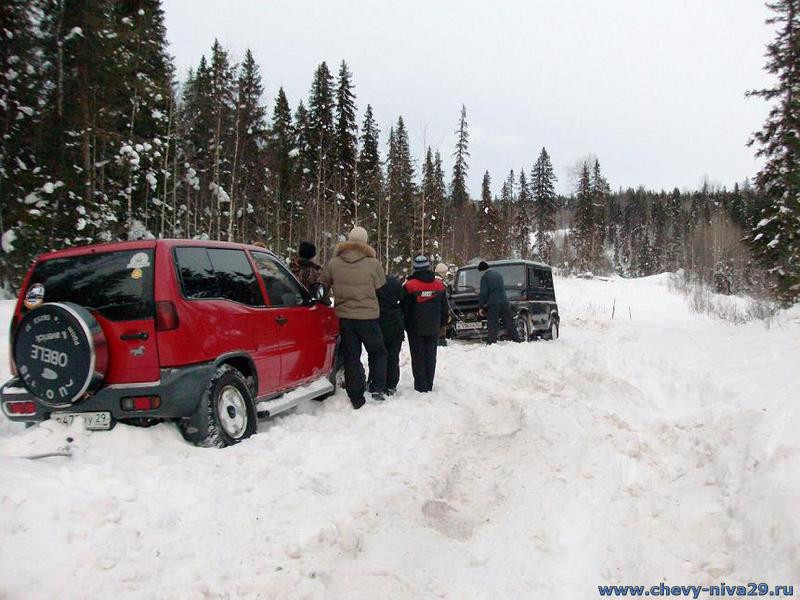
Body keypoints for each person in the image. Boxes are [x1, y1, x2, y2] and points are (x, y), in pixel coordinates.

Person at [319, 226, 388, 409]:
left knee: (351, 356)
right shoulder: (373, 264)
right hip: (368, 317)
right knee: (378, 352)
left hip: (345, 318)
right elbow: (382, 288)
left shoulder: (333, 263)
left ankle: (356, 395)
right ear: (365, 242)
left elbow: (322, 286)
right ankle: (377, 388)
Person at [402, 256, 449, 392]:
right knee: (430, 355)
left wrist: (406, 325)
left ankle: (420, 385)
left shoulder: (410, 286)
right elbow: (444, 308)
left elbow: (405, 308)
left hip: (415, 328)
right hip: (434, 326)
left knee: (418, 357)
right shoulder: (439, 285)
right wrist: (442, 324)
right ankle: (429, 383)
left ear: (415, 268)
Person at [478, 261, 521, 344]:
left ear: (482, 270)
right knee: (509, 323)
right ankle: (517, 340)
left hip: (493, 304)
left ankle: (492, 342)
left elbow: (483, 293)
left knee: (493, 324)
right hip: (504, 302)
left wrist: (481, 306)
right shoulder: (498, 274)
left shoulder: (485, 277)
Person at [376, 275, 405, 396]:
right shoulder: (395, 283)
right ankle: (391, 384)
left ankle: (379, 384)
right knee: (393, 357)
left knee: (379, 356)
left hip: (380, 322)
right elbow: (402, 297)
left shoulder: (375, 285)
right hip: (396, 324)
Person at [434, 262, 451, 347]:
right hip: (441, 308)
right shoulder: (441, 284)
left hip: (433, 309)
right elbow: (445, 298)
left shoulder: (432, 281)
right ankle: (441, 341)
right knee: (442, 325)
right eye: (445, 272)